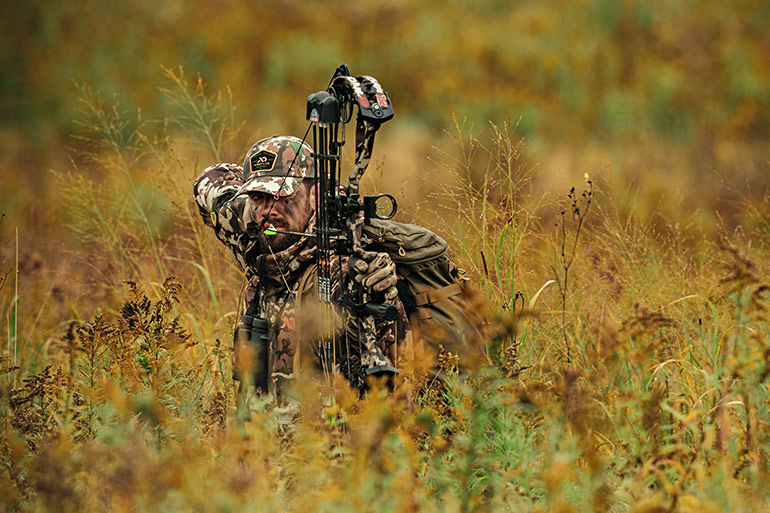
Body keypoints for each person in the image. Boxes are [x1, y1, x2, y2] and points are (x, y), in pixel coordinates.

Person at [193, 135, 412, 414]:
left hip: (328, 450)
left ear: (315, 197)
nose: (267, 210)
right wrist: (242, 205)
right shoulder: (255, 247)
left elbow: (400, 397)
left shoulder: (344, 270)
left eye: (281, 196)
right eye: (258, 198)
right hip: (262, 448)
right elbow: (208, 180)